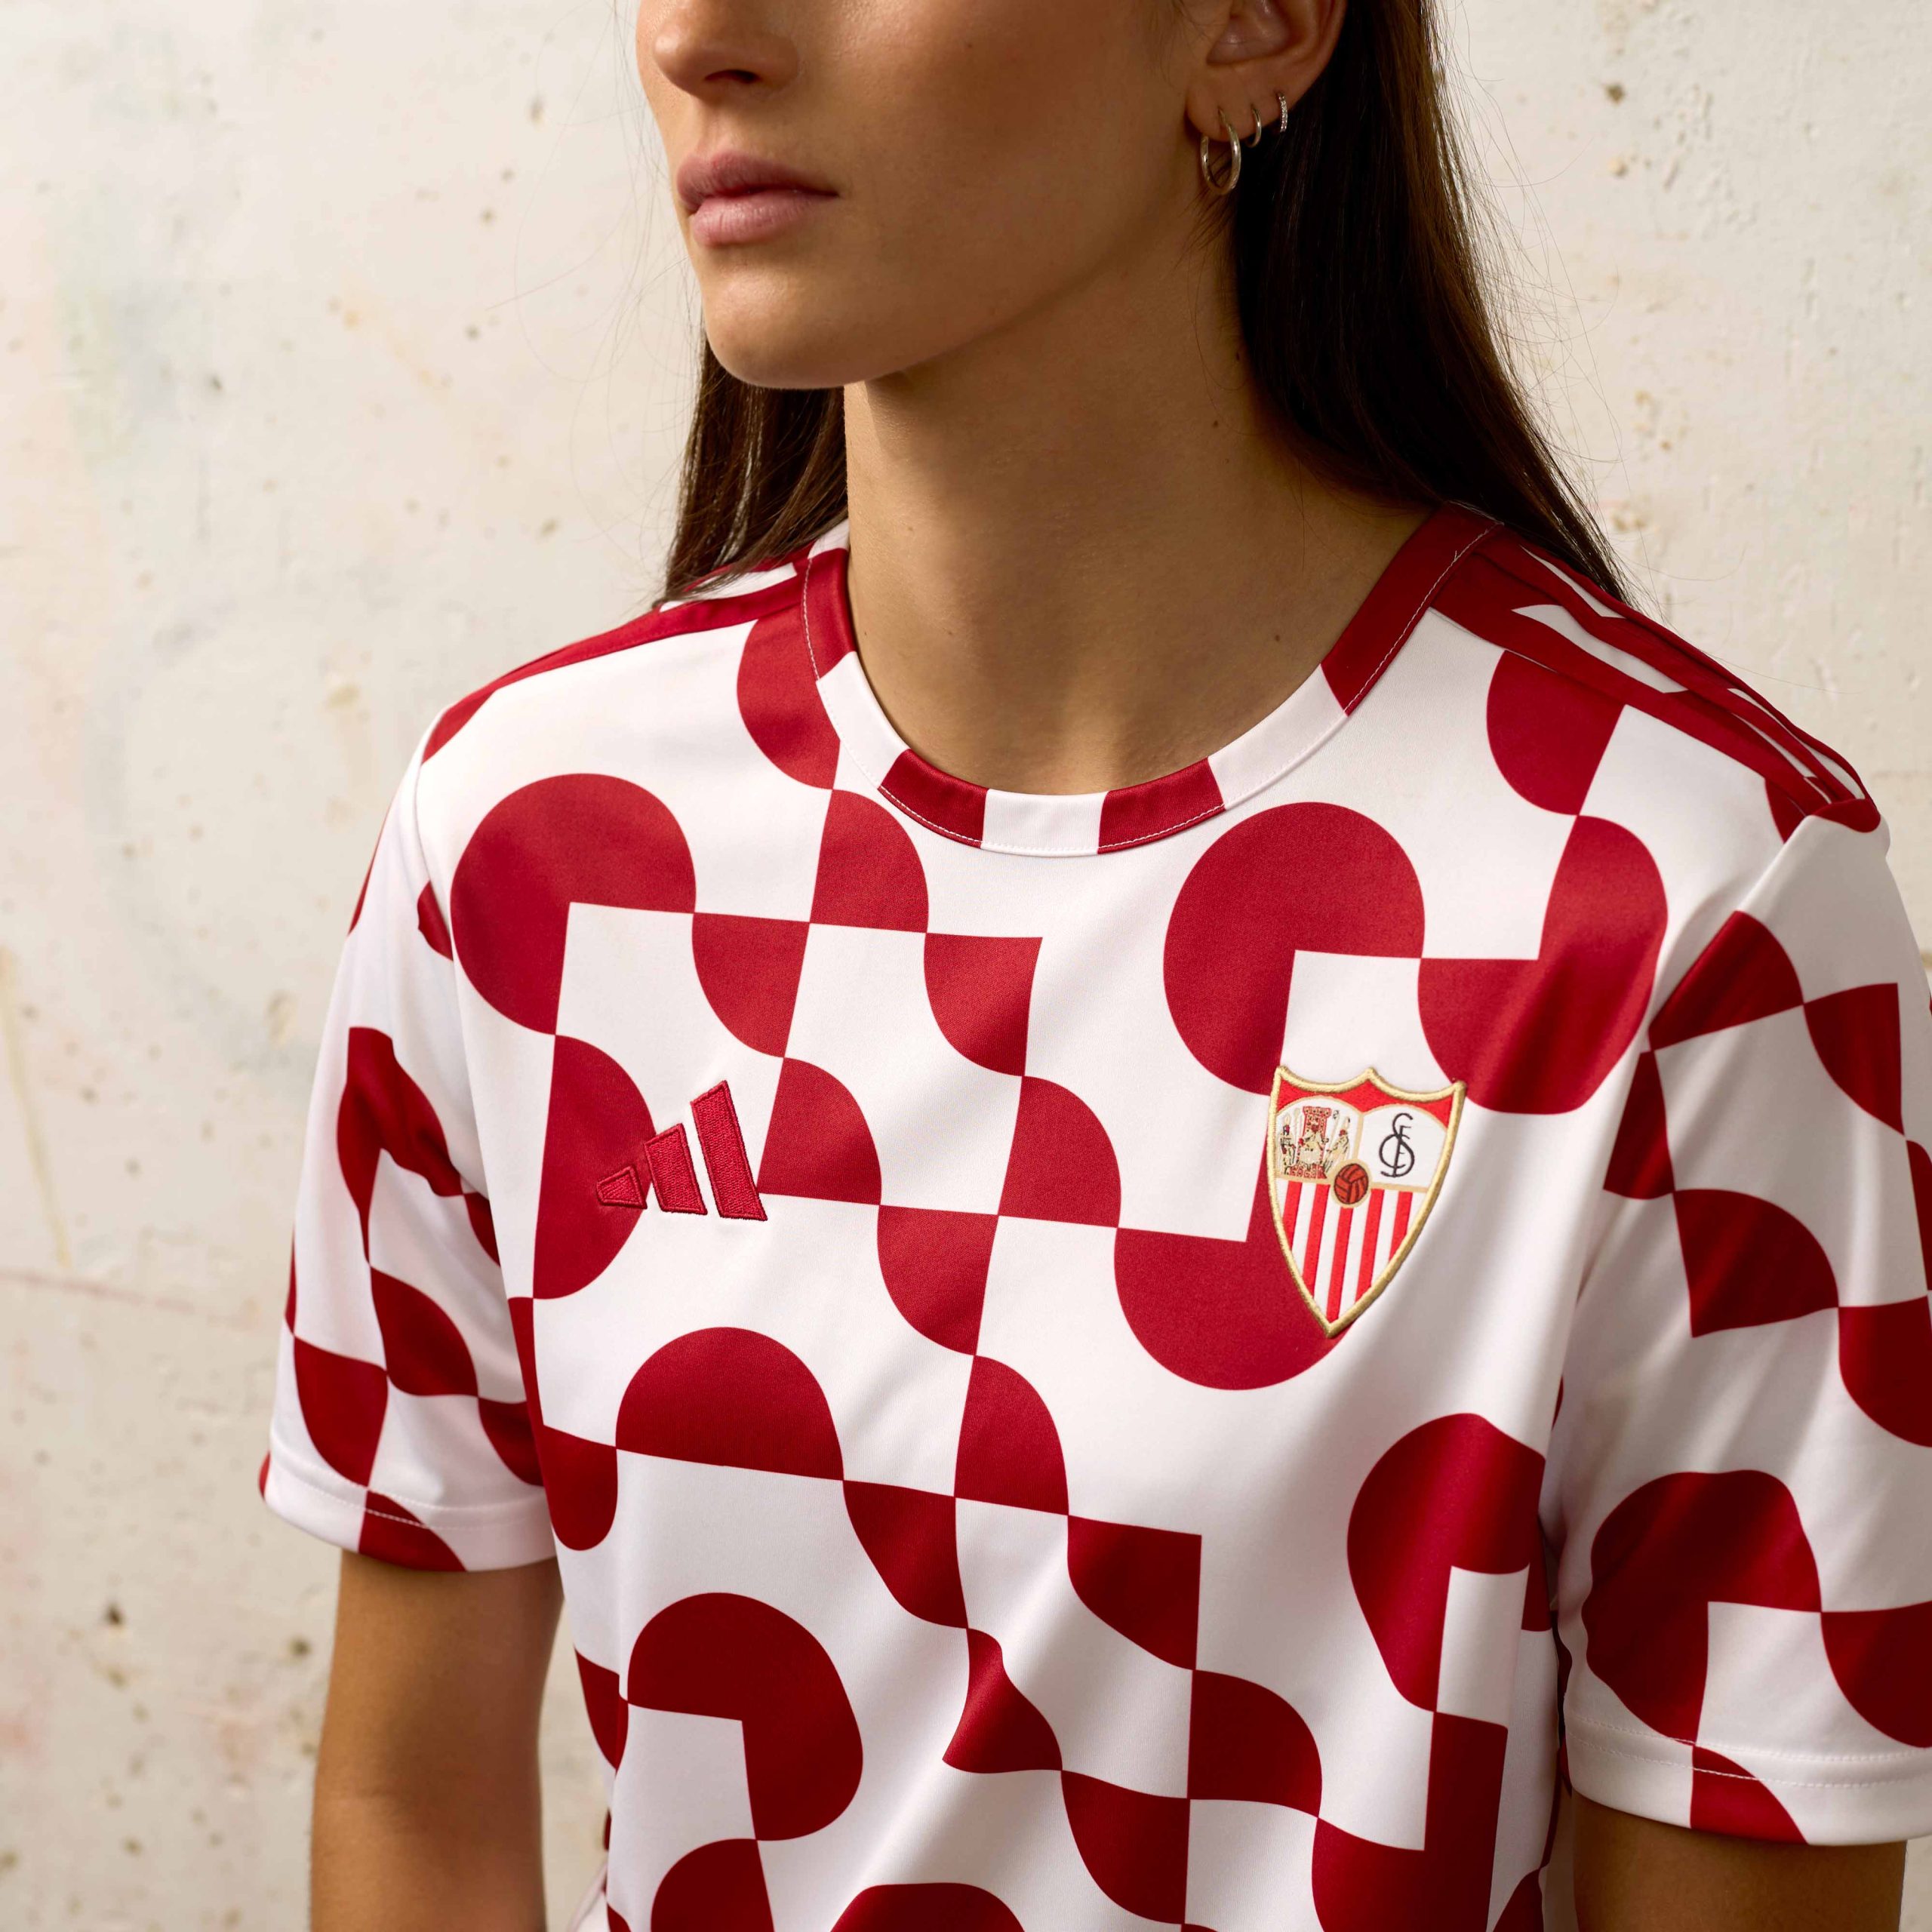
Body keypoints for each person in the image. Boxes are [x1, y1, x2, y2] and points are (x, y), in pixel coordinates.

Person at [260, 0, 1932, 1926]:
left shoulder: (1689, 911)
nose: (696, 33)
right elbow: (411, 1803)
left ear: (1253, 25)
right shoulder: (525, 844)